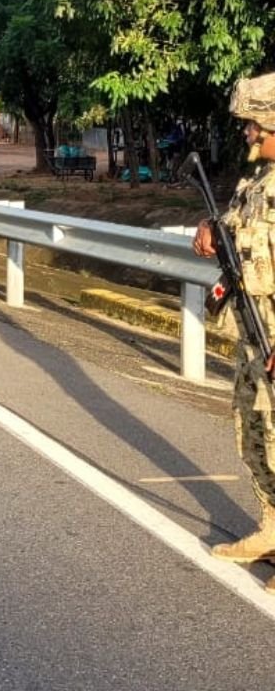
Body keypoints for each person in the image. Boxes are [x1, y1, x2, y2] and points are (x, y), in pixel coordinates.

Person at [193, 71, 275, 589]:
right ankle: (272, 527)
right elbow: (237, 228)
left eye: (252, 124)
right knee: (257, 433)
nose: (246, 133)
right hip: (253, 329)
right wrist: (209, 230)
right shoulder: (257, 179)